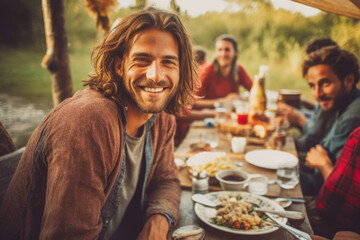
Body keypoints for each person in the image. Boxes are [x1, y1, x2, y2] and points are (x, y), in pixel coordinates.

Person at [0, 8, 198, 240]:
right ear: (118, 65)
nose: (156, 75)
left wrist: (159, 218)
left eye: (168, 62)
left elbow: (166, 179)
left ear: (180, 69)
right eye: (142, 60)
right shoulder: (88, 123)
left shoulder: (162, 117)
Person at [299, 45, 360, 196]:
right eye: (312, 86)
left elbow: (343, 192)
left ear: (349, 80)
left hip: (322, 193)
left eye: (325, 83)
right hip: (316, 179)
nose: (317, 94)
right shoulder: (342, 103)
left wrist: (323, 163)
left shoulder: (353, 117)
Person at [277, 37, 339, 155]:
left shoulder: (336, 99)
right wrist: (297, 109)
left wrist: (299, 118)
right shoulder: (328, 97)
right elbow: (317, 114)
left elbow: (313, 137)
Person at [305, 126, 360, 237]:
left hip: (336, 222)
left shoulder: (353, 122)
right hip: (324, 204)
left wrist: (324, 165)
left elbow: (343, 200)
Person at [194, 34, 253, 109]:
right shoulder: (206, 71)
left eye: (227, 50)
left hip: (230, 116)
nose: (223, 54)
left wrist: (240, 98)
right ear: (215, 52)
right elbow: (193, 103)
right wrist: (223, 101)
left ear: (235, 53)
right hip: (207, 117)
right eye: (220, 50)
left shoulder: (239, 69)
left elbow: (255, 91)